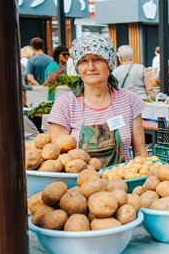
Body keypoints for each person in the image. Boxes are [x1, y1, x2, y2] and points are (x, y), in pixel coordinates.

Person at [49, 34, 148, 168]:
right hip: (80, 186)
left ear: (109, 63)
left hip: (122, 183)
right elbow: (59, 161)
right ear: (78, 67)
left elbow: (140, 152)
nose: (90, 67)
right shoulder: (65, 105)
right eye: (83, 61)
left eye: (97, 59)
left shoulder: (129, 100)